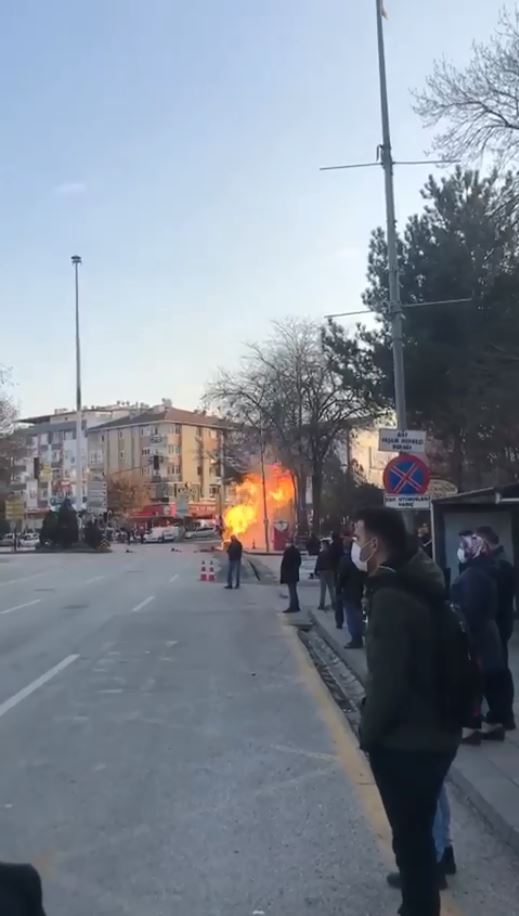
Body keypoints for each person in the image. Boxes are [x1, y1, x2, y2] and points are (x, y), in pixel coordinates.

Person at [356, 507, 460, 916]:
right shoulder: (423, 582)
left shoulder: (391, 599)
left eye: (358, 536)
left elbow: (386, 683)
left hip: (408, 741)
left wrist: (368, 734)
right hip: (440, 730)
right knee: (420, 833)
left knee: (411, 840)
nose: (355, 544)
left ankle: (418, 908)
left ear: (376, 544)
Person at [453, 532, 507, 743]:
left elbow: (469, 608)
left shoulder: (471, 576)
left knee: (474, 680)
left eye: (463, 546)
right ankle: (494, 723)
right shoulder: (486, 571)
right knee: (492, 679)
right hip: (488, 631)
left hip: (477, 634)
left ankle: (471, 726)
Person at [476, 526, 516, 730]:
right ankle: (501, 714)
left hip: (496, 623)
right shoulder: (498, 563)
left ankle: (502, 714)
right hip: (498, 621)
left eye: (475, 541)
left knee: (496, 670)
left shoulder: (498, 565)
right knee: (498, 669)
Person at [338, 540, 366, 647]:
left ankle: (356, 639)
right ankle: (360, 635)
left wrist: (338, 588)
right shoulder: (362, 559)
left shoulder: (347, 560)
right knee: (359, 615)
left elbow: (342, 577)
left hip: (349, 592)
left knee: (352, 616)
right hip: (360, 591)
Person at [327, 532, 345, 627]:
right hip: (342, 572)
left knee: (338, 595)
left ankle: (339, 622)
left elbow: (330, 557)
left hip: (336, 571)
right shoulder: (341, 546)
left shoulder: (333, 546)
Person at [280, 540, 302, 613]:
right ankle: (296, 605)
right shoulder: (296, 551)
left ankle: (293, 606)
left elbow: (285, 564)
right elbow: (299, 562)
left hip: (290, 575)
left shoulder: (289, 552)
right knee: (294, 591)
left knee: (292, 591)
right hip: (294, 574)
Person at [315, 540, 335, 610]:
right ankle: (334, 603)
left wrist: (316, 571)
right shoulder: (331, 553)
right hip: (330, 571)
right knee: (331, 588)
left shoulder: (321, 553)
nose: (322, 546)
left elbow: (318, 563)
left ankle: (322, 604)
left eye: (322, 544)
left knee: (323, 589)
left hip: (323, 572)